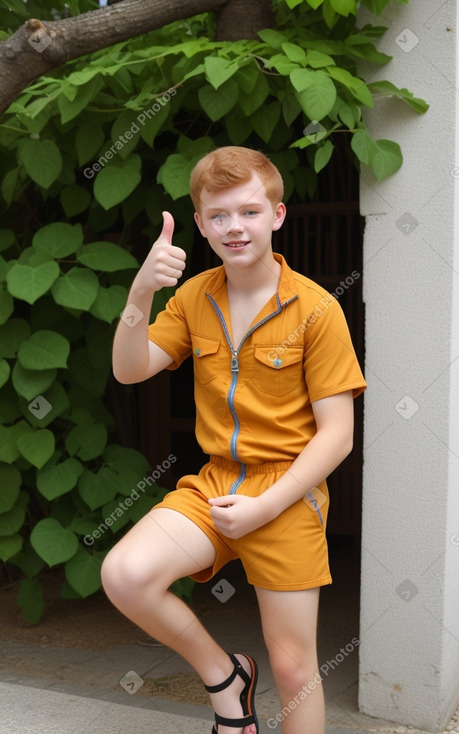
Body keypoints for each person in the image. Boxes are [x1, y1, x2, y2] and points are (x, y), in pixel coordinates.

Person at [101, 146, 366, 734]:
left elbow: (338, 436)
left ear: (277, 215)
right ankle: (227, 679)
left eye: (248, 212)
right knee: (124, 575)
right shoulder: (194, 295)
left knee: (296, 669)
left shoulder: (317, 310)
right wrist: (139, 295)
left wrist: (267, 506)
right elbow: (130, 367)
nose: (234, 228)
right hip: (217, 482)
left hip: (287, 495)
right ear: (199, 224)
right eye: (218, 216)